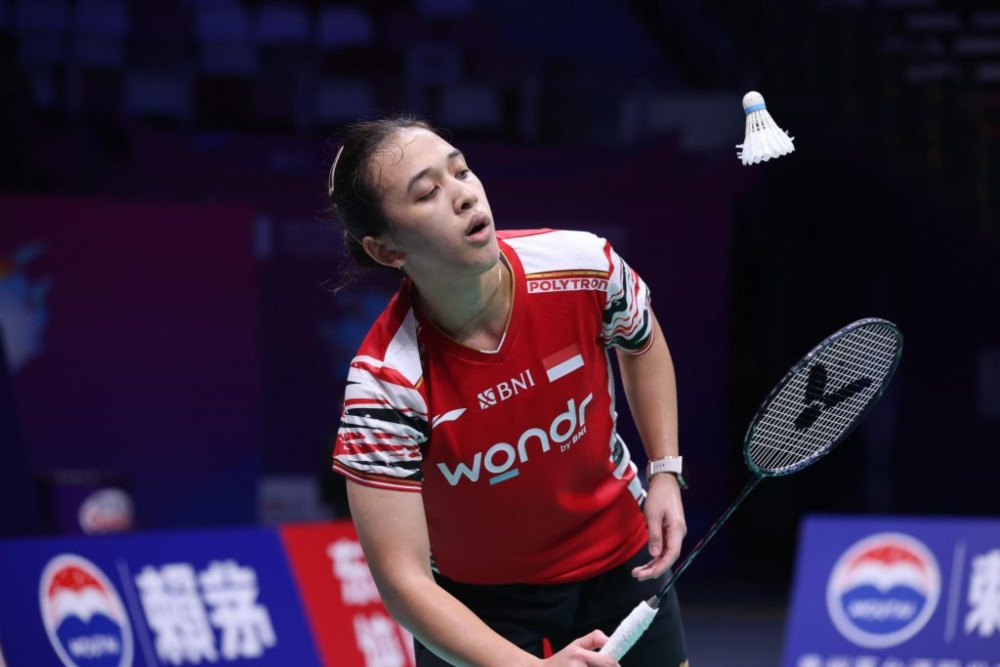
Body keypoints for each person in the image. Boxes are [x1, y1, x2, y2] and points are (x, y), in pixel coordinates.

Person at [328, 114, 689, 667]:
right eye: (427, 193)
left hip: (619, 563)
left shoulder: (583, 266)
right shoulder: (386, 385)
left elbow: (640, 341)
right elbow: (403, 581)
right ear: (388, 251)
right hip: (476, 607)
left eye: (461, 171)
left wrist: (664, 468)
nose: (464, 195)